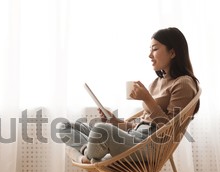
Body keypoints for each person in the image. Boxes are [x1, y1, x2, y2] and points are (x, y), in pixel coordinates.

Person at [59, 27, 200, 163]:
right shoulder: (156, 83)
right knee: (64, 126)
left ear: (173, 53)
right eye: (149, 50)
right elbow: (140, 126)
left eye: (155, 49)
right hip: (133, 138)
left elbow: (170, 130)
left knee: (100, 130)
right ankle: (88, 154)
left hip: (149, 146)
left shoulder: (184, 83)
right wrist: (114, 121)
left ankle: (83, 155)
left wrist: (148, 99)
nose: (150, 55)